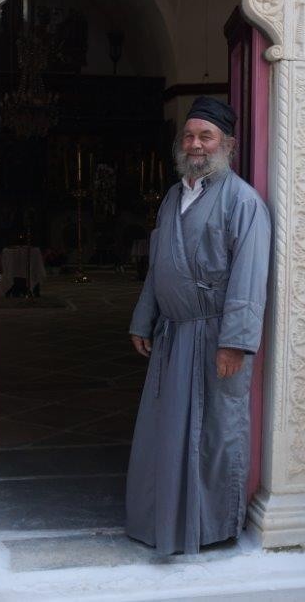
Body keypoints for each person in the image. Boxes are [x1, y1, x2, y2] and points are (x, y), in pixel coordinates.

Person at [126, 96, 272, 555]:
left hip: (215, 340)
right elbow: (159, 266)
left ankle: (209, 528)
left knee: (212, 434)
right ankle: (162, 523)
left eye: (205, 136)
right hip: (173, 335)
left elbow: (250, 278)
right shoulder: (173, 197)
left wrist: (235, 343)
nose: (195, 144)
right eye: (188, 136)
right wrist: (143, 317)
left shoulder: (244, 202)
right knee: (166, 433)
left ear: (226, 143)